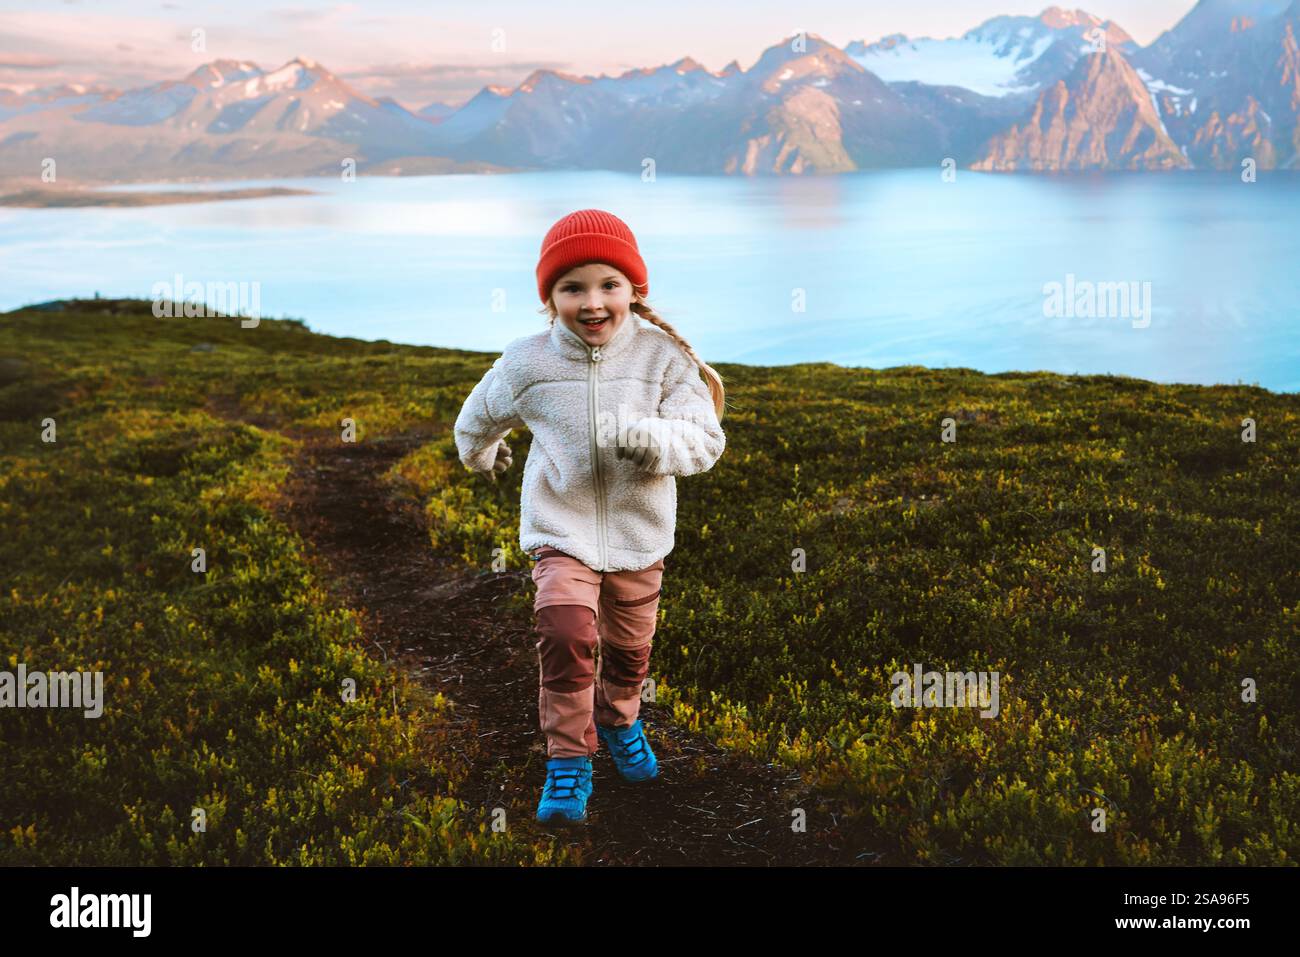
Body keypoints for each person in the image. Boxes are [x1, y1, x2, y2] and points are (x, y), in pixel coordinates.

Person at [453, 208, 727, 824]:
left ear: (635, 290)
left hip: (640, 536)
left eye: (609, 285)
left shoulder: (664, 358)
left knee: (630, 654)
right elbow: (476, 419)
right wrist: (481, 456)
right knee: (567, 635)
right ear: (549, 298)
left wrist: (650, 439)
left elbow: (704, 442)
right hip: (561, 529)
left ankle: (620, 719)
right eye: (572, 287)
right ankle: (568, 760)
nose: (593, 301)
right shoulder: (526, 363)